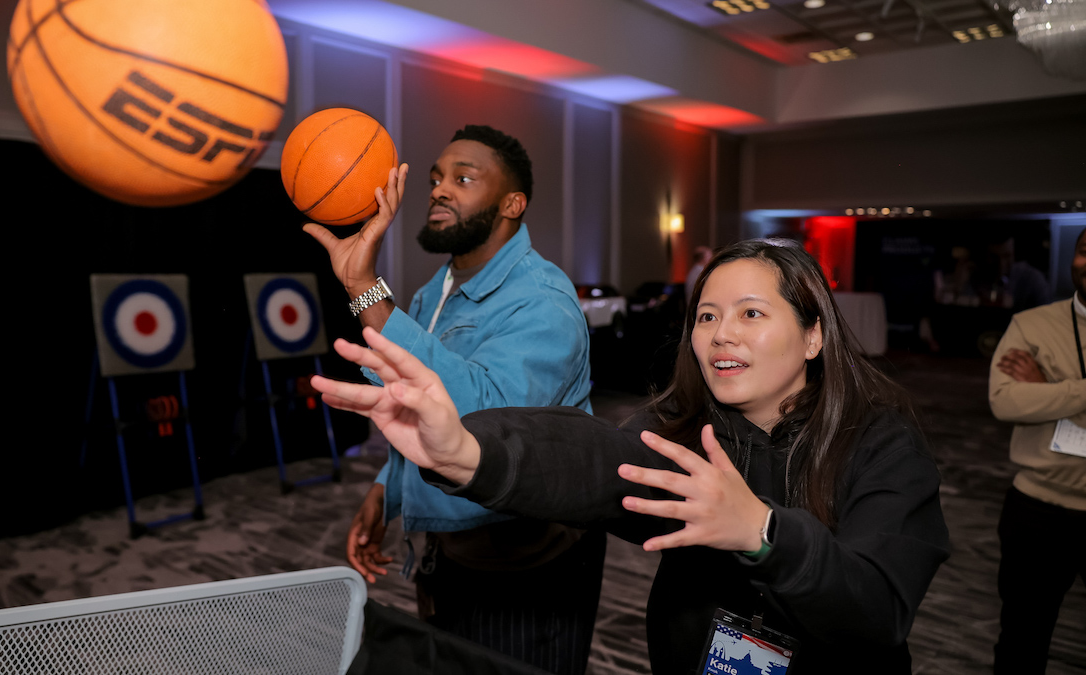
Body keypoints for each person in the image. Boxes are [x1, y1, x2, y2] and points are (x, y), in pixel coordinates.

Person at [313, 238, 951, 674]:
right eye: (706, 316)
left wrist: (762, 532)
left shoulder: (882, 444)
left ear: (814, 335)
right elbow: (591, 460)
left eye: (751, 313)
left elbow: (877, 611)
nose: (721, 333)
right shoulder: (685, 430)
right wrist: (465, 453)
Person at [303, 124, 603, 675]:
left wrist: (365, 291)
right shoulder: (430, 292)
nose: (439, 189)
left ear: (512, 204)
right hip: (446, 549)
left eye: (463, 179)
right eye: (437, 178)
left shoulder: (543, 304)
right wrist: (386, 492)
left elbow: (482, 421)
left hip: (524, 563)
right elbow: (407, 406)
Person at [988, 227, 1086, 674]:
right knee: (1023, 638)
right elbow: (1006, 400)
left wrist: (1050, 390)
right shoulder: (1034, 324)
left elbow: (1035, 401)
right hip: (1037, 510)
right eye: (1085, 251)